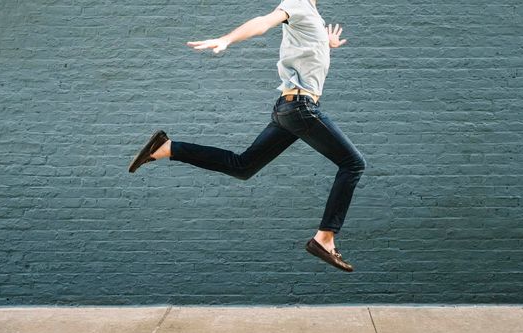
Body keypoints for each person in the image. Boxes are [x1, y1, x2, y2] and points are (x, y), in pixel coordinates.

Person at [128, 0, 366, 272]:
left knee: (243, 167)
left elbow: (307, 57)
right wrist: (226, 39)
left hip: (289, 109)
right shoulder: (296, 3)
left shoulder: (311, 13)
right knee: (353, 163)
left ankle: (168, 148)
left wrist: (327, 45)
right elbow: (264, 22)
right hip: (300, 108)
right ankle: (325, 238)